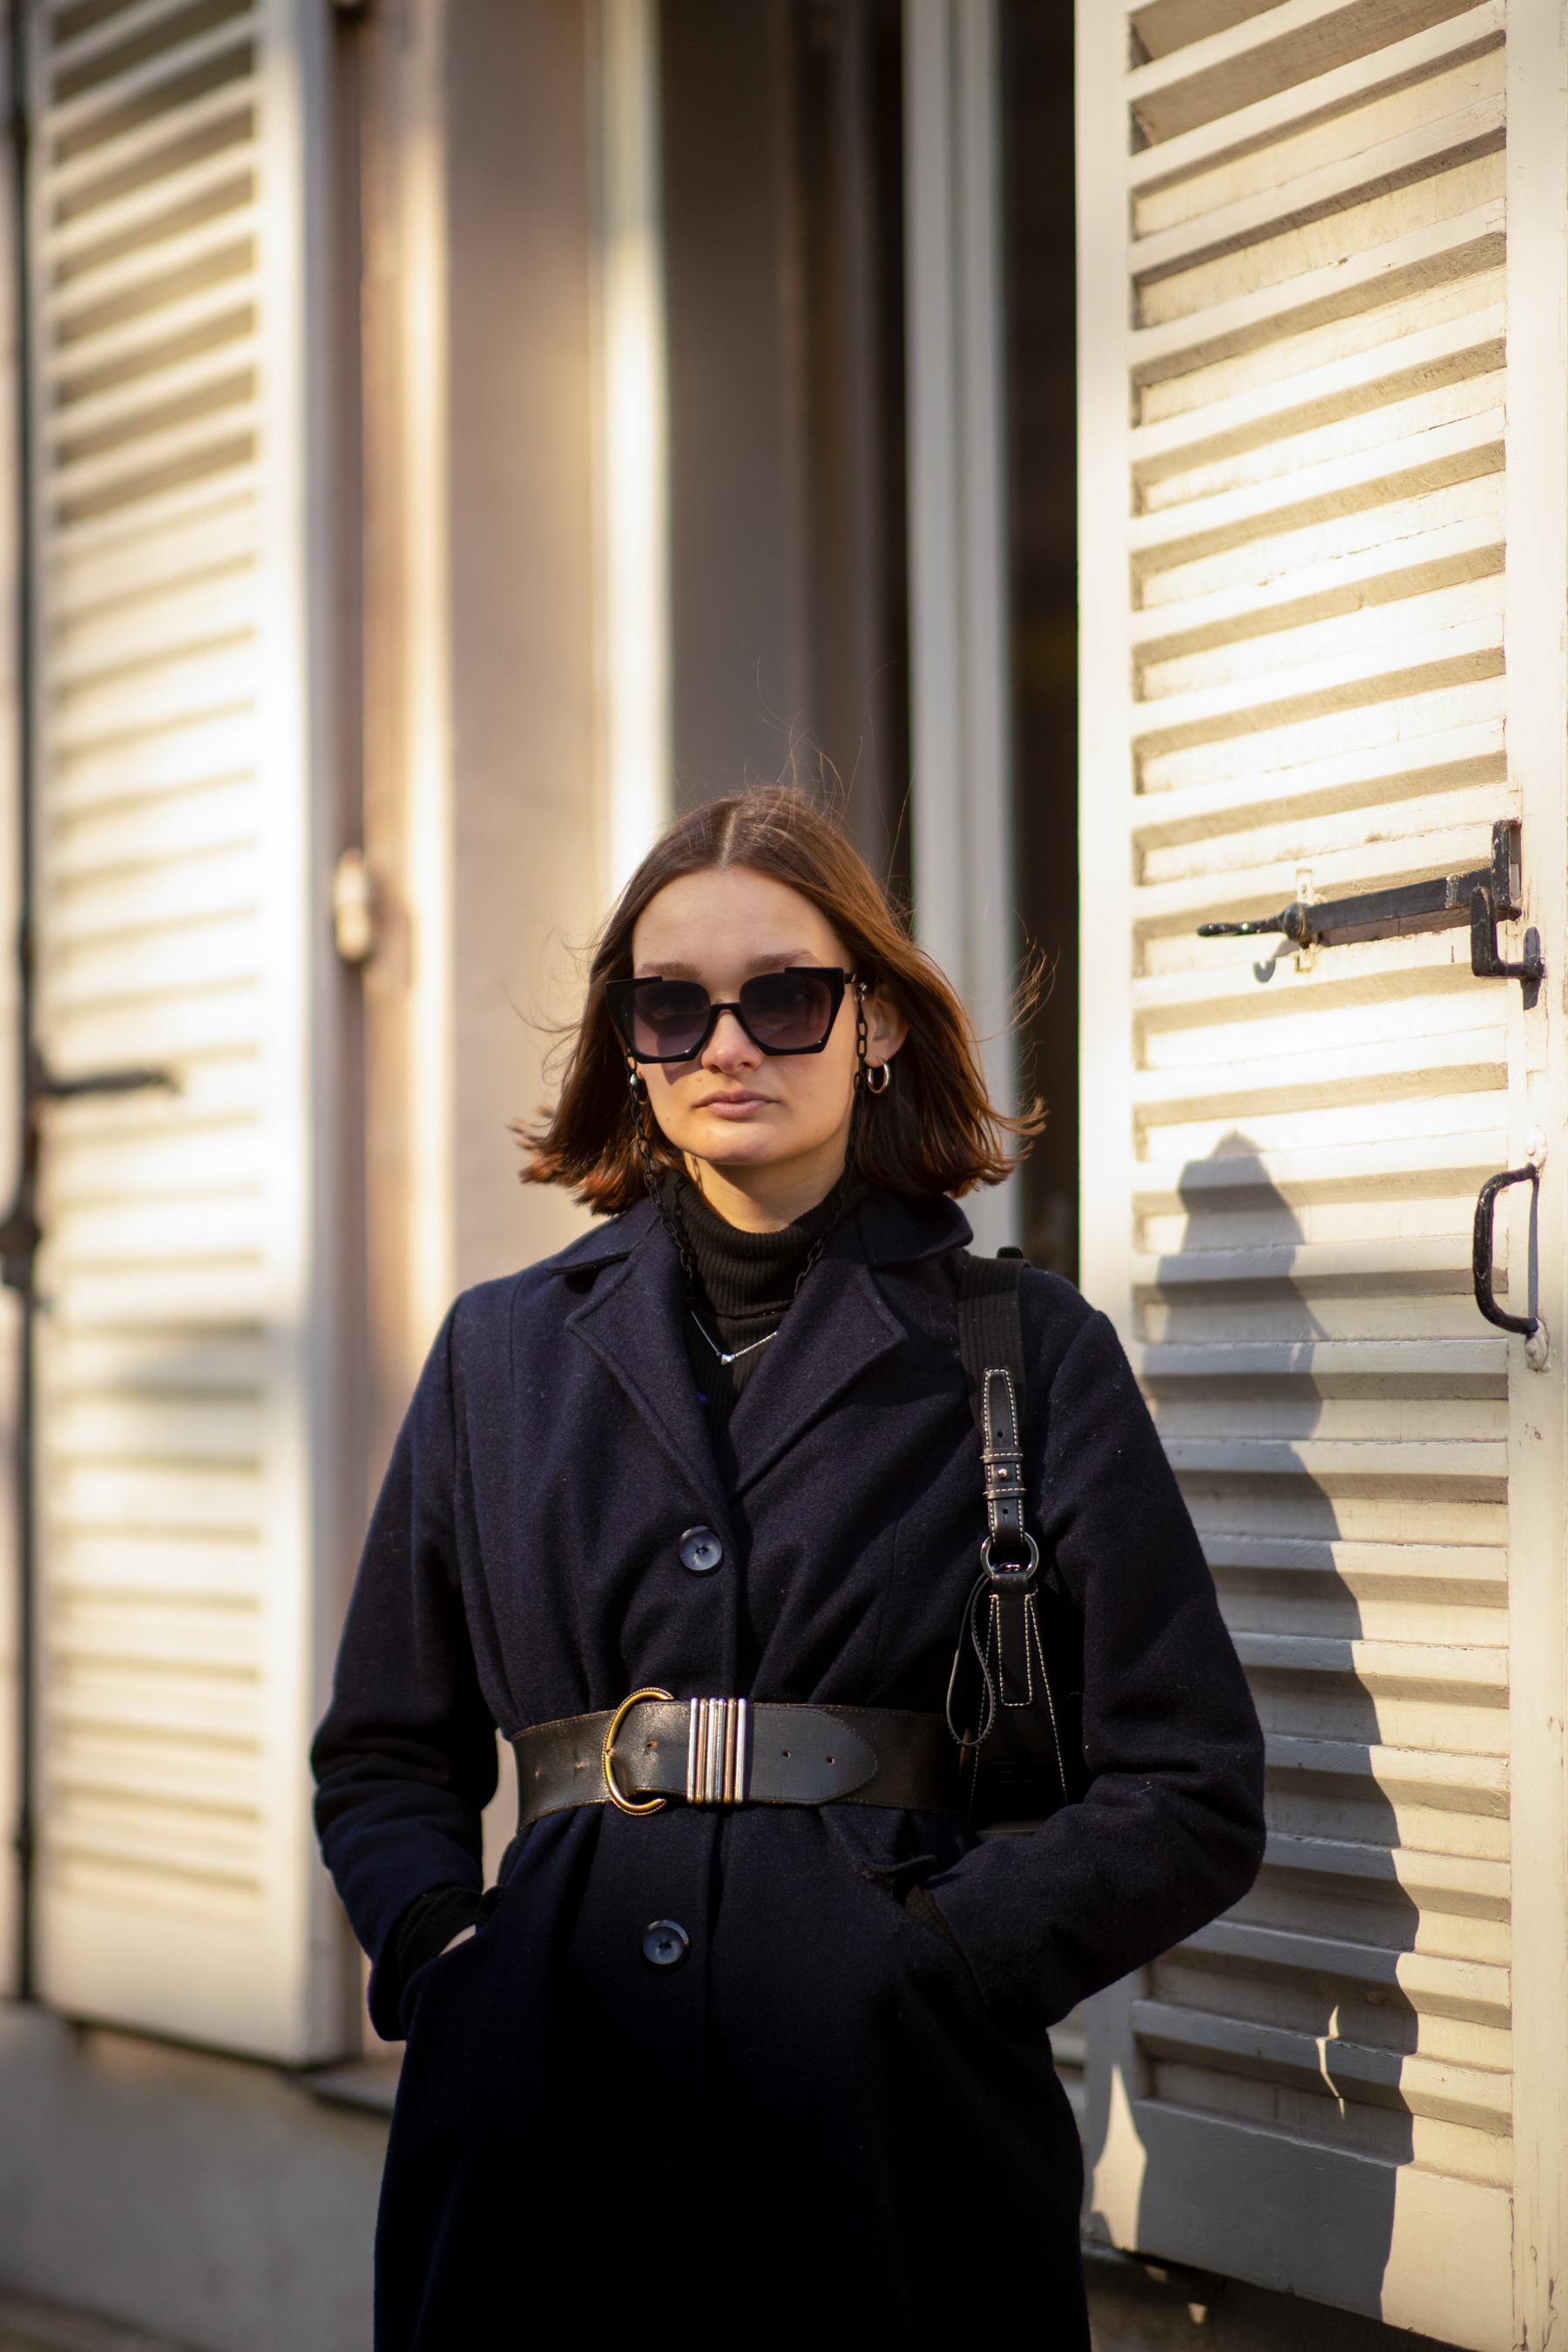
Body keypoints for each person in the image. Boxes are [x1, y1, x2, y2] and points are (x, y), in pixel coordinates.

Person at [313, 786, 1265, 2349]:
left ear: (875, 1023)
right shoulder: (500, 1354)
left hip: (893, 2139)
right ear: (632, 1042)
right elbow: (382, 1752)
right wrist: (443, 1954)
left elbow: (1193, 1782)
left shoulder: (1027, 1354)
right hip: (542, 2106)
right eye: (672, 1005)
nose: (728, 1045)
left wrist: (947, 1968)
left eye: (787, 997)